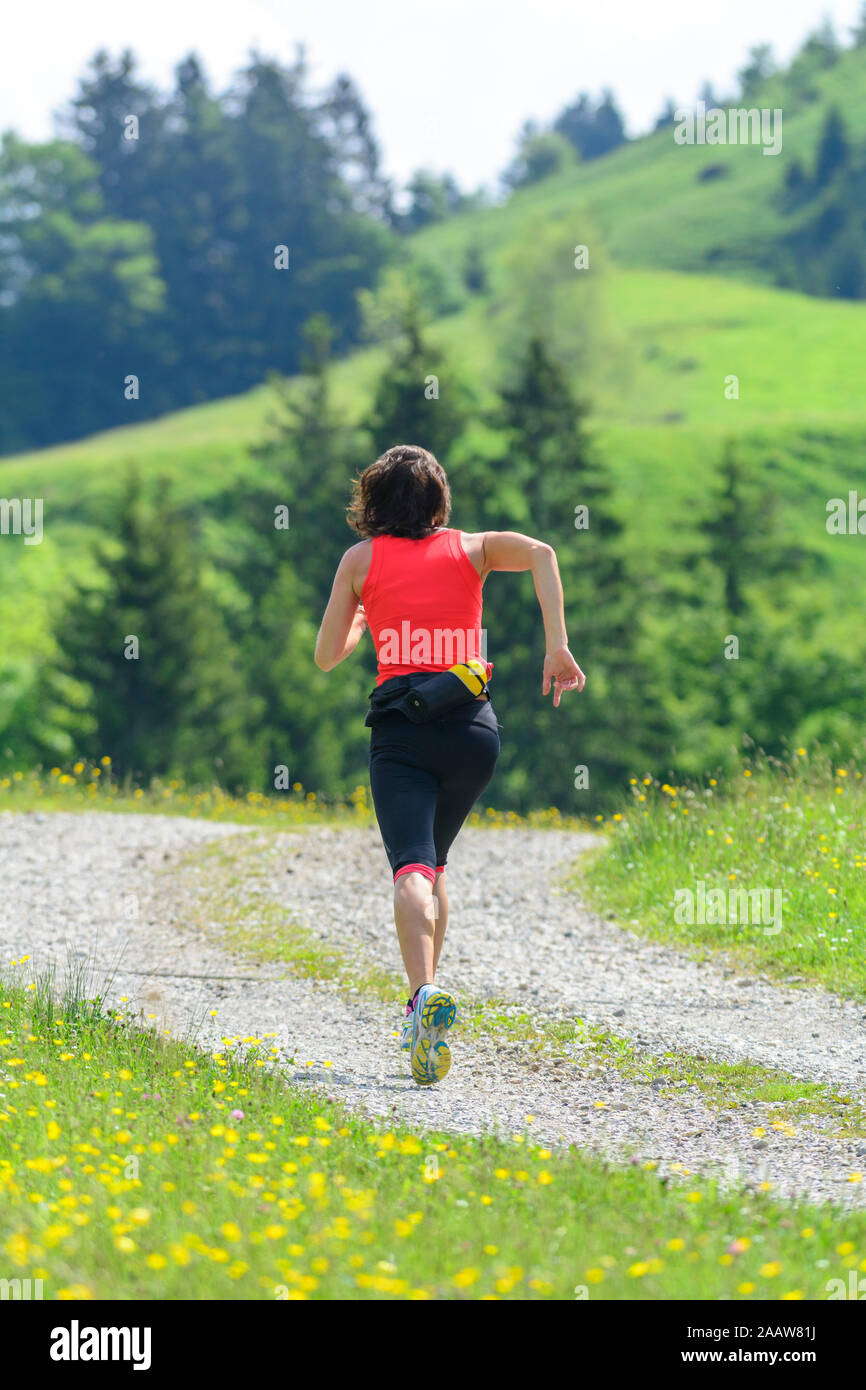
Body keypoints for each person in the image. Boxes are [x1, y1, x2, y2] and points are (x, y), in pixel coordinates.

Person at [315, 444, 585, 1085]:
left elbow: (328, 655)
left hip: (402, 734)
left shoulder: (360, 561)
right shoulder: (476, 548)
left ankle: (422, 997)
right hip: (472, 733)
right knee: (435, 863)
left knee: (410, 866)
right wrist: (558, 647)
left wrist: (359, 618)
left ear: (371, 503)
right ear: (439, 501)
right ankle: (427, 1000)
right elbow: (545, 553)